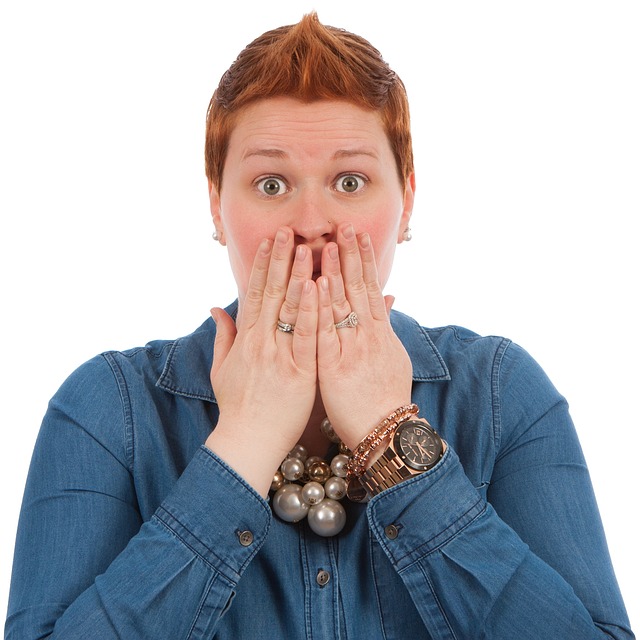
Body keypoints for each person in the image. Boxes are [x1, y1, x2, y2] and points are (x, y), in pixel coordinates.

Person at [5, 12, 634, 639]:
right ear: (216, 205)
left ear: (407, 201)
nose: (311, 222)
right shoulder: (107, 408)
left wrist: (394, 441)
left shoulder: (501, 391)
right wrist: (244, 443)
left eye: (350, 181)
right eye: (271, 183)